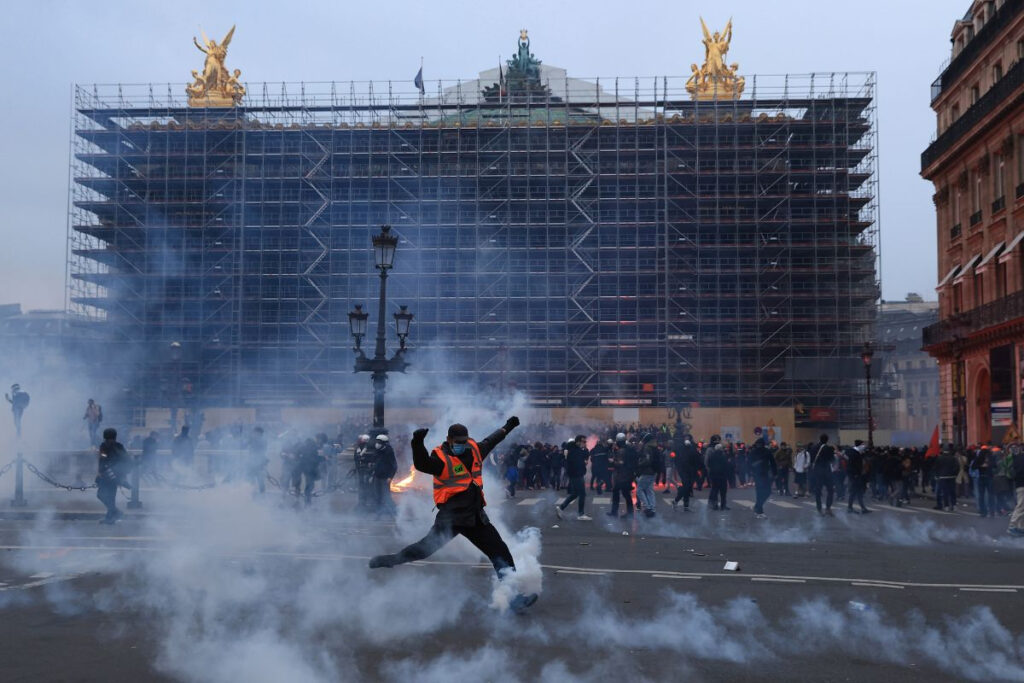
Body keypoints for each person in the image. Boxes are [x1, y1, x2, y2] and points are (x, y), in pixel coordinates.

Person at [368, 418, 538, 614]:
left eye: (464, 441)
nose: (461, 445)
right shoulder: (441, 459)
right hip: (451, 519)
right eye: (457, 442)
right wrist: (417, 442)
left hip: (475, 518)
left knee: (501, 553)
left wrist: (509, 426)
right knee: (423, 550)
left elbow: (491, 440)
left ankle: (513, 599)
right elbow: (422, 464)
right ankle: (391, 560)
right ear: (449, 440)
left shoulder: (474, 450)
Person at [96, 427, 128, 524]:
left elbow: (103, 459)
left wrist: (100, 471)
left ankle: (115, 512)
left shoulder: (104, 445)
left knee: (101, 494)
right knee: (111, 496)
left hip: (107, 475)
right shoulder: (119, 446)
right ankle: (110, 517)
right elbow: (125, 460)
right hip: (117, 475)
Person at [556, 435, 592, 520]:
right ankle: (581, 514)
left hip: (576, 474)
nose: (585, 443)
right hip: (576, 474)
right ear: (578, 441)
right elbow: (580, 459)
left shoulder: (575, 449)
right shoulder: (574, 450)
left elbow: (585, 455)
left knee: (575, 494)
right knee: (582, 494)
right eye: (583, 441)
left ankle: (561, 507)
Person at [607, 433, 637, 517]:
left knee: (616, 493)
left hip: (621, 476)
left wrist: (612, 461)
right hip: (628, 475)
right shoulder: (629, 449)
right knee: (626, 494)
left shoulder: (621, 451)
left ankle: (614, 512)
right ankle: (630, 513)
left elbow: (620, 463)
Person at [749, 438, 777, 519]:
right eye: (758, 444)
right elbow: (749, 463)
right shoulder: (753, 452)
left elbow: (773, 462)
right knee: (759, 493)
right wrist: (751, 471)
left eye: (760, 444)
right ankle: (759, 511)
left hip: (765, 474)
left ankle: (757, 506)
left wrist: (775, 473)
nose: (759, 445)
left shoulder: (767, 451)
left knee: (767, 492)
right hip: (757, 475)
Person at [634, 434, 660, 518]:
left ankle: (647, 507)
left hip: (647, 471)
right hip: (654, 471)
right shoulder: (654, 447)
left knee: (639, 490)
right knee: (649, 490)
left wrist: (639, 464)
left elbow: (647, 460)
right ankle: (652, 508)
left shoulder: (647, 448)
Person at [809, 434, 836, 517]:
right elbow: (832, 460)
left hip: (816, 471)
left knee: (818, 491)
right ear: (827, 440)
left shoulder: (813, 448)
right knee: (830, 490)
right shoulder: (828, 448)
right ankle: (828, 508)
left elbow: (811, 459)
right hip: (826, 471)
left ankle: (819, 509)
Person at [672, 435, 701, 512]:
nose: (687, 440)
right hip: (683, 470)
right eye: (686, 438)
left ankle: (682, 504)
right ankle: (679, 502)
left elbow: (697, 458)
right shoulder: (680, 447)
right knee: (686, 486)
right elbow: (675, 457)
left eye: (688, 438)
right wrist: (678, 467)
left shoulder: (693, 447)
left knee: (688, 488)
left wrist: (697, 469)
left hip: (691, 471)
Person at [372, 434, 398, 517]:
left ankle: (394, 512)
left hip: (385, 478)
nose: (377, 443)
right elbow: (376, 464)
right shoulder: (378, 451)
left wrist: (390, 477)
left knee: (386, 497)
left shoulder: (389, 452)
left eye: (379, 442)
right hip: (377, 477)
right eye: (377, 441)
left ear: (384, 443)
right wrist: (372, 474)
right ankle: (379, 513)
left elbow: (394, 466)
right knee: (377, 496)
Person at [845, 440, 871, 514]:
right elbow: (851, 466)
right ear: (859, 446)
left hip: (857, 476)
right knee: (854, 492)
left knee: (858, 492)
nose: (864, 447)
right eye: (863, 445)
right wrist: (855, 475)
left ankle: (862, 508)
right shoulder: (854, 453)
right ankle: (850, 508)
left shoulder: (856, 453)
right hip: (855, 476)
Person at [706, 435, 730, 511]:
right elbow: (726, 465)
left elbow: (707, 463)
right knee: (723, 491)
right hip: (722, 476)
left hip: (713, 475)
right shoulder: (723, 455)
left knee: (715, 490)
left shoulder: (711, 454)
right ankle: (723, 505)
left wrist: (710, 471)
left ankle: (715, 505)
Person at [352, 434, 374, 512]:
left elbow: (371, 460)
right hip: (361, 471)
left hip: (367, 471)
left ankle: (366, 503)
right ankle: (362, 502)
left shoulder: (369, 449)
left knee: (367, 487)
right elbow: (356, 459)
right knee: (361, 487)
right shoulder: (358, 449)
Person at [1006, 446, 1024, 536]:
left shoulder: (1018, 458)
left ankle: (1020, 527)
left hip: (1019, 484)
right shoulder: (1021, 459)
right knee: (1021, 506)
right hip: (1022, 485)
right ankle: (1012, 526)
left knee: (1022, 506)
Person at [246, 427, 269, 493]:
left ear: (259, 433)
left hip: (260, 463)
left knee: (260, 480)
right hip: (251, 463)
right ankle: (252, 493)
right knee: (251, 480)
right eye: (254, 432)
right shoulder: (252, 440)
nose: (254, 434)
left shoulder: (263, 441)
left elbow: (261, 451)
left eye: (255, 432)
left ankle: (262, 495)